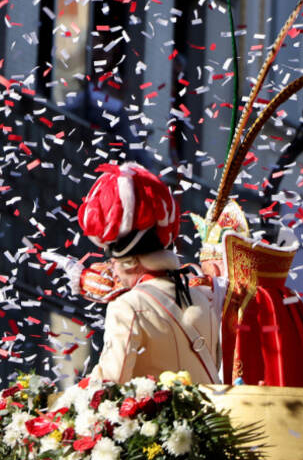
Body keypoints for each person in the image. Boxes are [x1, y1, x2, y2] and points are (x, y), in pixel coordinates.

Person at [74, 163, 221, 383]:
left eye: (112, 262)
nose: (111, 269)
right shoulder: (200, 297)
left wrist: (58, 403)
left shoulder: (127, 306)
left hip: (159, 418)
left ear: (130, 262)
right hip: (211, 417)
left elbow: (109, 383)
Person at [192, 201, 303, 387]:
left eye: (207, 272)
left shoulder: (232, 298)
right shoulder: (286, 299)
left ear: (217, 270)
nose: (205, 277)